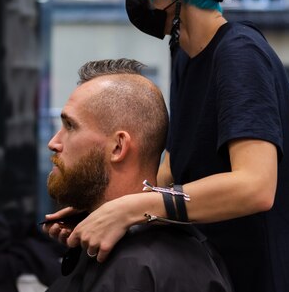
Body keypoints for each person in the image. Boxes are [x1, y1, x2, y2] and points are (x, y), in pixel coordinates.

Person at [43, 0, 289, 292]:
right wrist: (102, 212)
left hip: (262, 280)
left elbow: (255, 186)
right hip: (213, 272)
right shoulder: (187, 57)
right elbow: (173, 169)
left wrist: (132, 209)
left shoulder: (240, 55)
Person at [45, 58, 233, 292]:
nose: (54, 143)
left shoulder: (146, 268)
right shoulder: (122, 251)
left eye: (71, 126)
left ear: (118, 147)